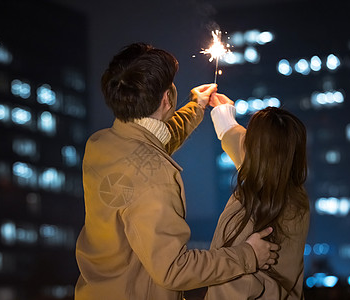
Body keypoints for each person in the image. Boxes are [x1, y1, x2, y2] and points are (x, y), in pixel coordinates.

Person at [74, 43, 279, 300]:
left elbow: (151, 145)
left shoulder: (101, 144)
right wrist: (248, 255)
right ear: (167, 98)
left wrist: (196, 106)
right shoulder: (155, 176)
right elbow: (173, 269)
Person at [202, 93, 310, 299]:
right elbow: (249, 146)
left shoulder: (251, 207)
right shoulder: (293, 193)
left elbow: (230, 290)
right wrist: (224, 117)